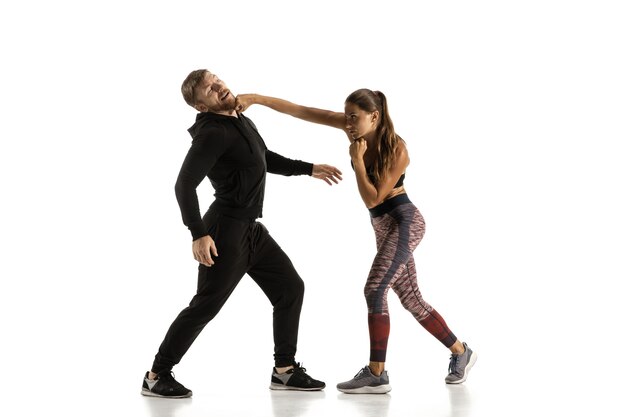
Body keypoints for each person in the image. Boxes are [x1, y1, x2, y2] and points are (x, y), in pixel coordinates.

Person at [235, 89, 477, 394]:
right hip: (383, 226)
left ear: (374, 116)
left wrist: (358, 162)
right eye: (346, 116)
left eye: (355, 117)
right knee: (411, 299)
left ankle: (377, 373)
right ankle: (460, 351)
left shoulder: (398, 149)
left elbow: (373, 198)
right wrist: (256, 99)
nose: (348, 124)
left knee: (375, 289)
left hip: (405, 221)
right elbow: (300, 110)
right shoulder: (353, 130)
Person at [141, 70, 343, 398]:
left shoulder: (239, 119)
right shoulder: (213, 133)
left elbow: (261, 159)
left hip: (250, 230)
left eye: (216, 79)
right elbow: (183, 185)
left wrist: (308, 168)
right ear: (200, 105)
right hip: (224, 232)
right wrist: (198, 234)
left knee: (290, 287)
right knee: (205, 306)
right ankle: (156, 374)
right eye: (209, 88)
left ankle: (285, 370)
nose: (218, 86)